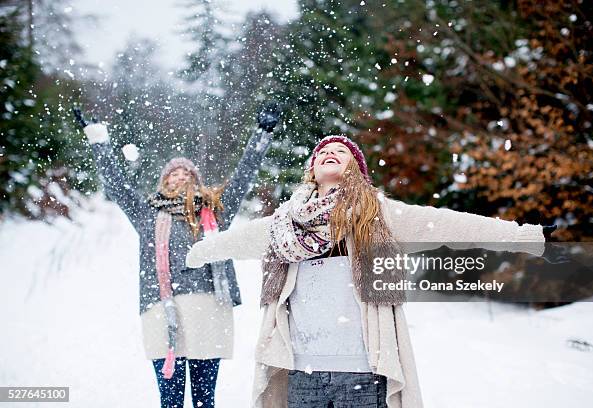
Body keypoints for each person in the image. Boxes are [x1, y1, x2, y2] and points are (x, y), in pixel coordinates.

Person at [185, 135, 552, 408]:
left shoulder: (379, 214)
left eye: (340, 152)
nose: (329, 154)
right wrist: (201, 251)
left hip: (362, 369)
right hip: (301, 370)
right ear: (311, 169)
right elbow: (238, 240)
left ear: (356, 169)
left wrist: (526, 236)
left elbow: (447, 225)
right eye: (322, 152)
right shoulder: (284, 223)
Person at [76, 104, 280, 408]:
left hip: (209, 306)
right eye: (174, 173)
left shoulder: (214, 212)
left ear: (196, 181)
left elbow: (243, 177)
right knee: (169, 399)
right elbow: (117, 186)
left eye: (188, 172)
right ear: (164, 181)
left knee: (203, 400)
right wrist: (98, 140)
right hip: (160, 306)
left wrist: (261, 136)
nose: (181, 176)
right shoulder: (147, 213)